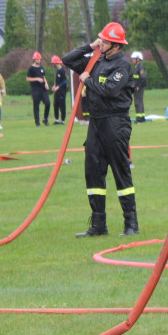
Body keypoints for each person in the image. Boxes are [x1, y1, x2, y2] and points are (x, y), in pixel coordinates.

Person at [62, 22, 139, 238]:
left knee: (121, 172)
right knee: (93, 172)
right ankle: (98, 225)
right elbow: (68, 60)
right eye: (101, 40)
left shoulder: (122, 66)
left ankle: (131, 224)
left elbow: (110, 90)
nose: (101, 43)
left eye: (105, 41)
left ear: (116, 45)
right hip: (95, 123)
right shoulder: (95, 61)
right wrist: (90, 46)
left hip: (115, 123)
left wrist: (87, 80)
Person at [26, 51, 52, 126]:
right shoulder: (31, 68)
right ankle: (37, 122)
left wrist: (46, 83)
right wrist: (37, 79)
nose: (39, 60)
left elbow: (43, 76)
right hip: (35, 90)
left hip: (43, 89)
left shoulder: (41, 67)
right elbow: (28, 79)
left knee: (48, 103)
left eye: (40, 59)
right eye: (37, 59)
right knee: (36, 106)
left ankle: (45, 119)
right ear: (34, 59)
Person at [130, 50, 147, 123]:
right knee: (138, 102)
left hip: (138, 88)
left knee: (138, 102)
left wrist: (139, 86)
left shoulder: (140, 67)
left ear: (138, 59)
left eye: (134, 58)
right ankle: (142, 118)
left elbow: (143, 77)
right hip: (136, 87)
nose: (133, 60)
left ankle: (139, 119)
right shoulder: (136, 67)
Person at [51, 56, 68, 125]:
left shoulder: (62, 70)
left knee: (62, 105)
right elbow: (57, 81)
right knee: (55, 104)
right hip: (57, 91)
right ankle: (57, 120)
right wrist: (54, 85)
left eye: (53, 63)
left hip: (62, 91)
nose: (53, 65)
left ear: (56, 63)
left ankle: (63, 120)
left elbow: (65, 81)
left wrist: (58, 87)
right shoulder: (57, 70)